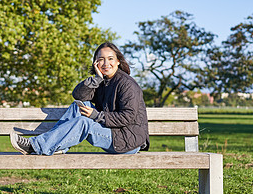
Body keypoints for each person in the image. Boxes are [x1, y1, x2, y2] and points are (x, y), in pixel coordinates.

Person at [10, 42, 150, 155]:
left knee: (85, 123)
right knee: (79, 105)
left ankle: (35, 146)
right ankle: (57, 146)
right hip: (113, 133)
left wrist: (96, 116)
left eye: (110, 59)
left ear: (118, 61)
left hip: (128, 140)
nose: (106, 63)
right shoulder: (103, 81)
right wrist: (95, 80)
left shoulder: (127, 84)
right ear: (96, 63)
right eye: (100, 59)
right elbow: (78, 96)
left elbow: (128, 117)